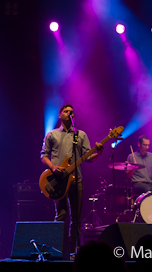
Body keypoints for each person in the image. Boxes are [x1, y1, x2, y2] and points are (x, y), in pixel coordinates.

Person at [40, 104, 103, 258]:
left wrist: (99, 152)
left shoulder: (81, 135)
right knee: (61, 215)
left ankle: (74, 251)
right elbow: (43, 155)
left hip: (76, 180)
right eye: (66, 111)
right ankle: (57, 250)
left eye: (72, 112)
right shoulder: (51, 135)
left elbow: (88, 158)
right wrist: (53, 167)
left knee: (76, 218)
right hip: (58, 180)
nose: (70, 114)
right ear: (60, 115)